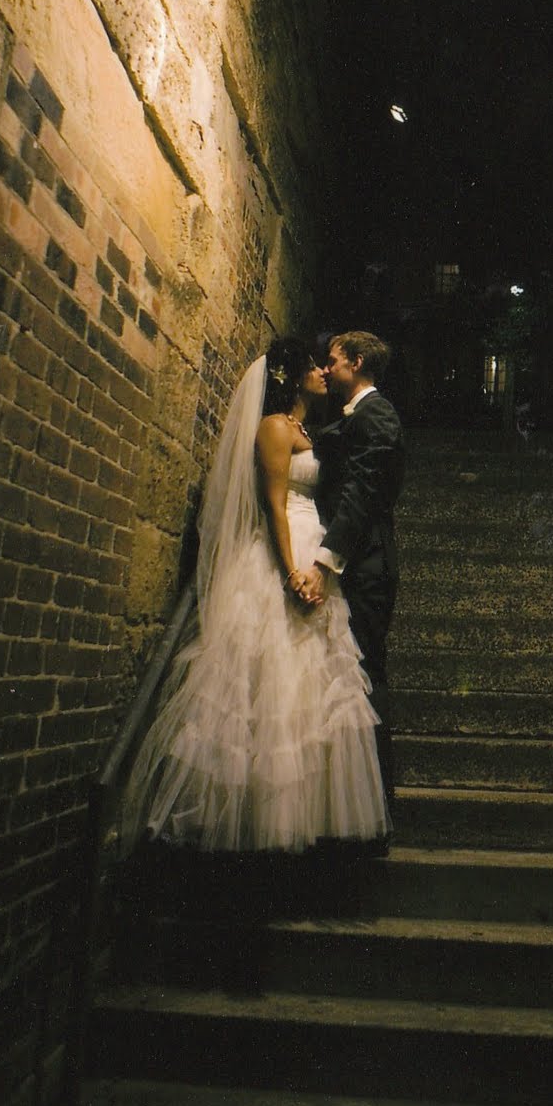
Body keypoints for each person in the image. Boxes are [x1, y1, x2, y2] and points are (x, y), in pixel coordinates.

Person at [120, 336, 389, 854]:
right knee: (267, 682)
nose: (322, 373)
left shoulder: (310, 430)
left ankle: (303, 820)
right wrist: (293, 570)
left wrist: (321, 567)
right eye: (313, 367)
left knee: (311, 685)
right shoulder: (273, 428)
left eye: (324, 365)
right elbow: (273, 504)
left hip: (316, 550)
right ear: (289, 378)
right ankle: (254, 829)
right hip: (285, 552)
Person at [295, 331, 404, 813]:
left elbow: (361, 492)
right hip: (355, 562)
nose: (326, 368)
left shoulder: (376, 413)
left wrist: (325, 560)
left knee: (363, 676)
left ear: (356, 363)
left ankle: (375, 806)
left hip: (367, 565)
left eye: (334, 361)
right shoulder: (349, 415)